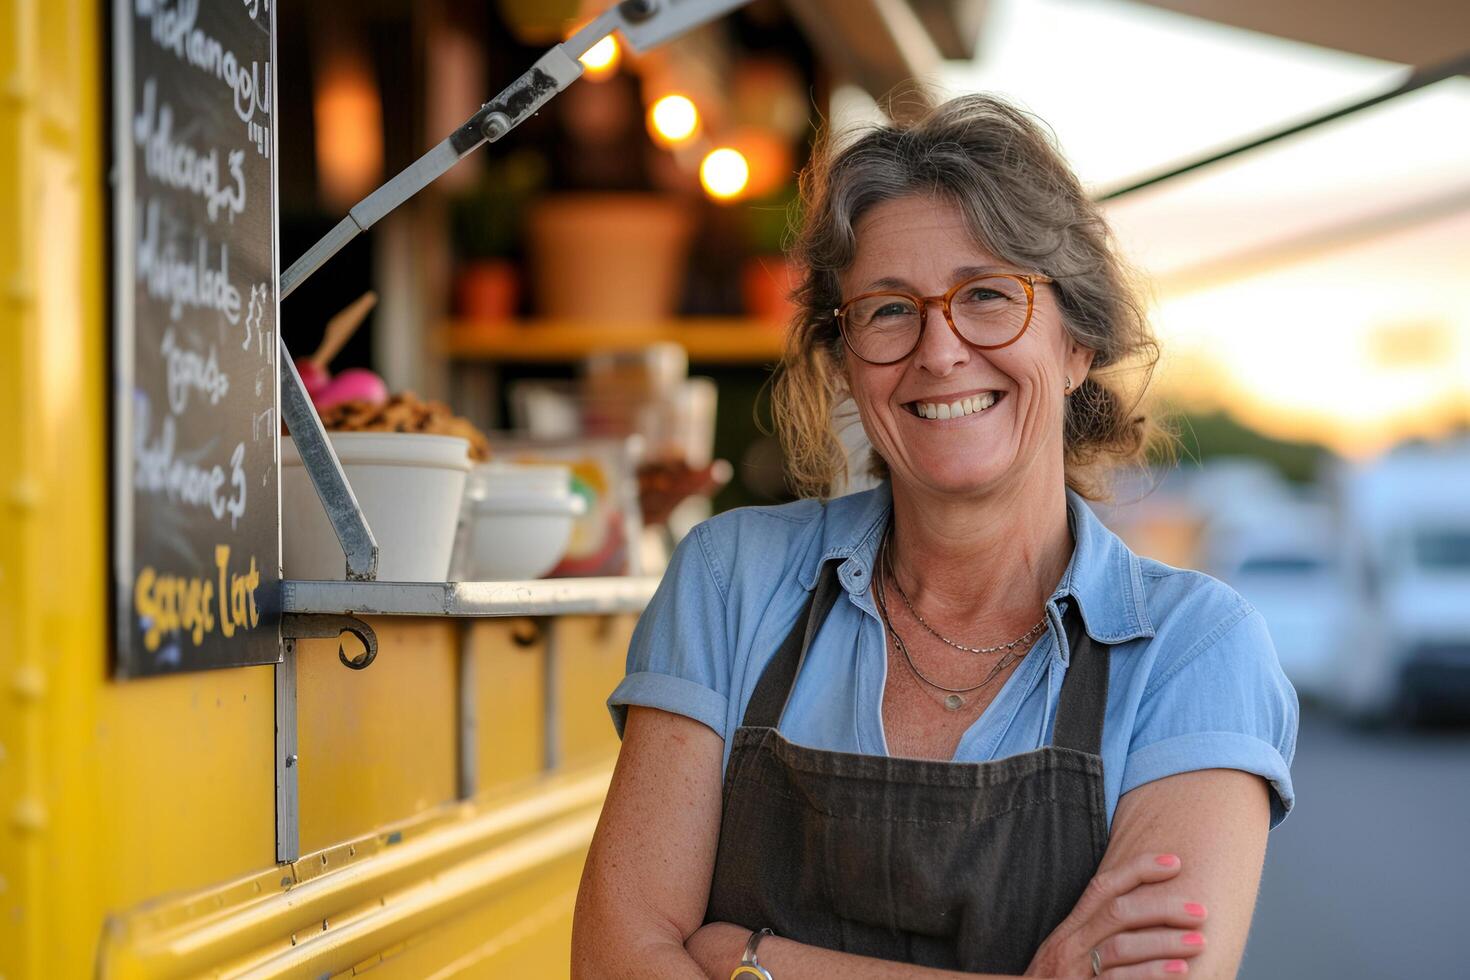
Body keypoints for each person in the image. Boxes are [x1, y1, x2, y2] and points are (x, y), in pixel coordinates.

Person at [572, 93, 1298, 979]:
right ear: (845, 364)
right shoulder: (731, 579)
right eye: (887, 309)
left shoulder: (1192, 648)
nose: (940, 349)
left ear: (1076, 343)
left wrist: (751, 961)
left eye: (988, 295)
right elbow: (615, 962)